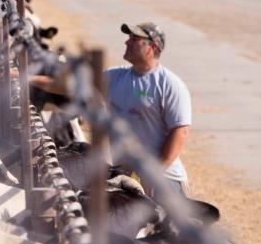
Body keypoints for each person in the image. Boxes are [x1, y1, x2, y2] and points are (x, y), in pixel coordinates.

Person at [28, 22, 192, 197]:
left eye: (134, 39)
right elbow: (68, 86)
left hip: (165, 180)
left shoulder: (169, 84)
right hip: (128, 178)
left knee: (166, 222)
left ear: (152, 47)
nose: (127, 42)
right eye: (129, 37)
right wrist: (27, 78)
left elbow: (180, 132)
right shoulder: (115, 77)